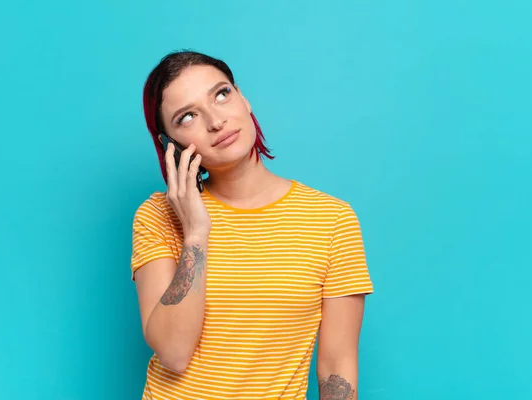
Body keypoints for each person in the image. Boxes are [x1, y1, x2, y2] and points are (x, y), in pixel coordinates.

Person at [131, 50, 374, 400]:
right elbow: (173, 352)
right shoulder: (157, 215)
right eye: (187, 117)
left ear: (243, 98)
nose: (216, 121)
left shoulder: (332, 219)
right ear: (169, 144)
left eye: (221, 94)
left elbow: (338, 363)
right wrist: (196, 233)